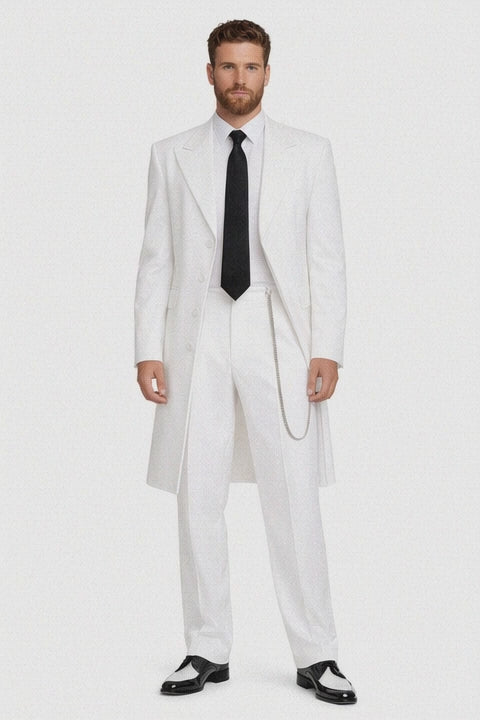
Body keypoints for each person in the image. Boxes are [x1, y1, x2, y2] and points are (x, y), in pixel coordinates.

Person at [134, 19, 357, 705]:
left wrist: (327, 347)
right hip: (197, 329)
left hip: (275, 329)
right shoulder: (171, 154)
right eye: (228, 67)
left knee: (294, 497)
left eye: (251, 67)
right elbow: (156, 258)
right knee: (198, 496)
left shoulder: (309, 152)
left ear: (267, 72)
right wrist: (146, 348)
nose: (239, 79)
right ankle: (206, 646)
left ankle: (317, 654)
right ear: (210, 72)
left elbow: (326, 256)